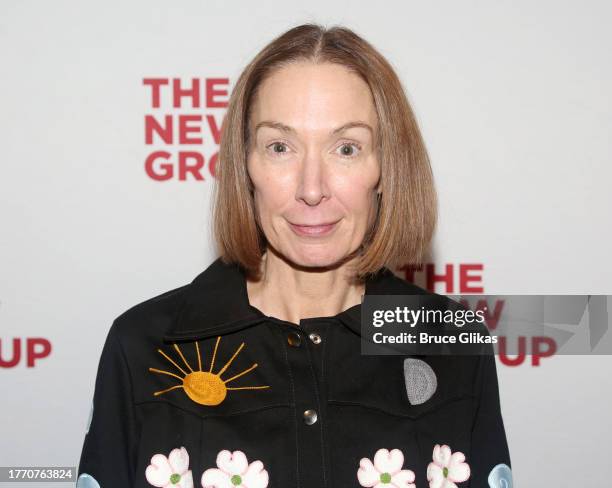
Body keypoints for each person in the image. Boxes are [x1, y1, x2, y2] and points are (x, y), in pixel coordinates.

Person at [76, 23, 512, 488]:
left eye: (346, 148)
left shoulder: (449, 339)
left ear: (386, 167)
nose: (311, 189)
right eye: (280, 147)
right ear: (245, 164)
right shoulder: (146, 345)